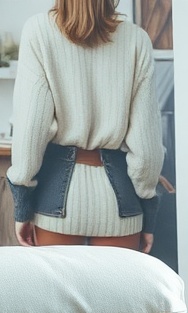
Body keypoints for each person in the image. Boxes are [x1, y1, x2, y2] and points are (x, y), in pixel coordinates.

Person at [7, 0, 165, 252]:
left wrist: (23, 208)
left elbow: (30, 134)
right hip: (120, 206)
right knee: (118, 293)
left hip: (54, 205)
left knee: (56, 294)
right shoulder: (137, 39)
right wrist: (149, 214)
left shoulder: (38, 30)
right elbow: (147, 148)